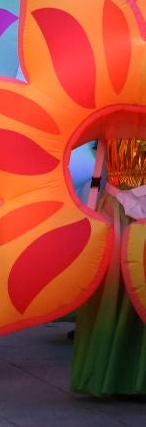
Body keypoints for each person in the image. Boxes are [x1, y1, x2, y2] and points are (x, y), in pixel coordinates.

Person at [70, 138, 146, 397]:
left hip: (123, 210)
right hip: (116, 208)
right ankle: (118, 375)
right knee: (115, 289)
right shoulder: (106, 106)